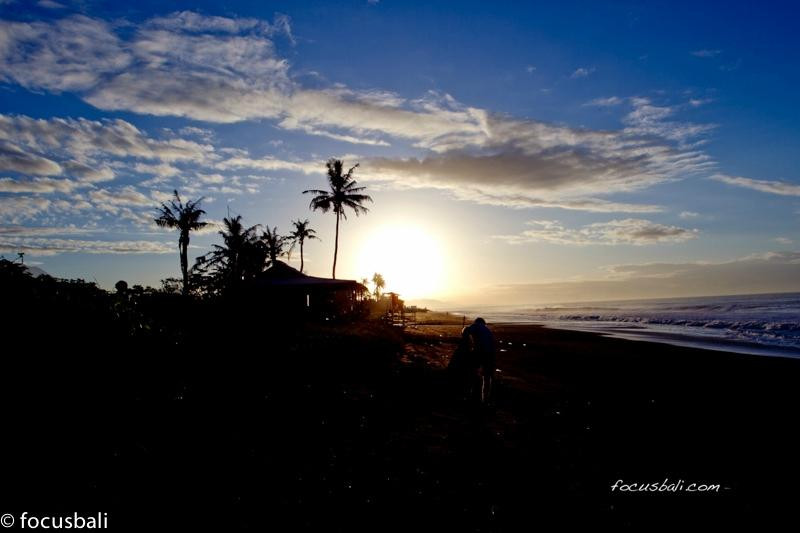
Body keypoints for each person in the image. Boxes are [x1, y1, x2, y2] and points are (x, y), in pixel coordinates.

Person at [465, 317, 496, 405]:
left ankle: (471, 394)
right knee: (487, 377)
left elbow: (466, 330)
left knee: (472, 372)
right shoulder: (488, 330)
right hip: (490, 354)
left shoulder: (476, 325)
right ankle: (485, 399)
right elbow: (492, 345)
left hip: (479, 351)